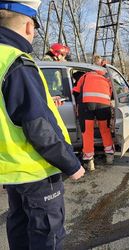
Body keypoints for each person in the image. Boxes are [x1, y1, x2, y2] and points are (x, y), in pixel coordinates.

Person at [0, 1, 85, 249]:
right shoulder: (17, 62)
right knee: (46, 234)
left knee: (19, 226)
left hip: (12, 170)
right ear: (28, 26)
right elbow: (39, 128)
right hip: (37, 170)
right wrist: (71, 164)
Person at [73, 70, 114, 170]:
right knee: (105, 130)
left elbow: (75, 91)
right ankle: (109, 157)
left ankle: (89, 161)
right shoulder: (106, 78)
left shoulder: (85, 76)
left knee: (87, 132)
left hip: (87, 105)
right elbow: (111, 95)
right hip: (104, 105)